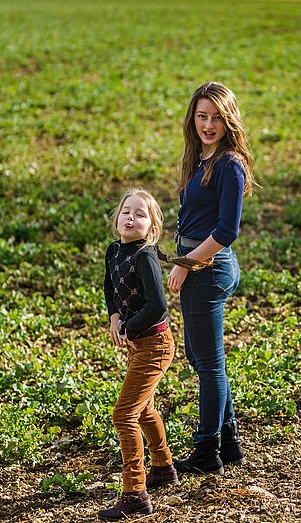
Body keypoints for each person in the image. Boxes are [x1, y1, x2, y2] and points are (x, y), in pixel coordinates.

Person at [167, 81, 256, 476]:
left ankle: (206, 451)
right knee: (203, 359)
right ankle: (229, 441)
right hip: (198, 266)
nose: (209, 124)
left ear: (229, 118)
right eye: (202, 116)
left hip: (209, 268)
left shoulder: (229, 165)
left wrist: (184, 262)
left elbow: (226, 231)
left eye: (217, 117)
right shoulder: (200, 158)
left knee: (208, 363)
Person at [98, 187, 178, 521]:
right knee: (143, 409)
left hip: (155, 344)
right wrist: (116, 317)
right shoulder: (114, 250)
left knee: (124, 414)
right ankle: (163, 468)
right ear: (117, 218)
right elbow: (110, 289)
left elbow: (158, 305)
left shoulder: (145, 255)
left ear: (152, 228)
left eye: (140, 214)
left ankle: (134, 494)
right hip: (137, 342)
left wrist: (129, 329)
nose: (131, 218)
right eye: (126, 212)